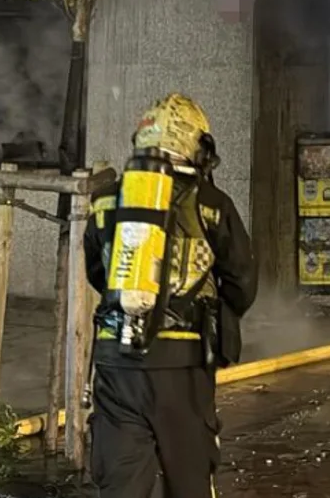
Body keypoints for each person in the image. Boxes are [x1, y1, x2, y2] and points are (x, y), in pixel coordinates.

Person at [85, 93, 257, 498]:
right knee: (190, 480)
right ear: (196, 144)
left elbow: (99, 273)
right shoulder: (212, 204)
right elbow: (243, 282)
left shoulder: (105, 199)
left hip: (115, 361)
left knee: (120, 484)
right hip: (182, 366)